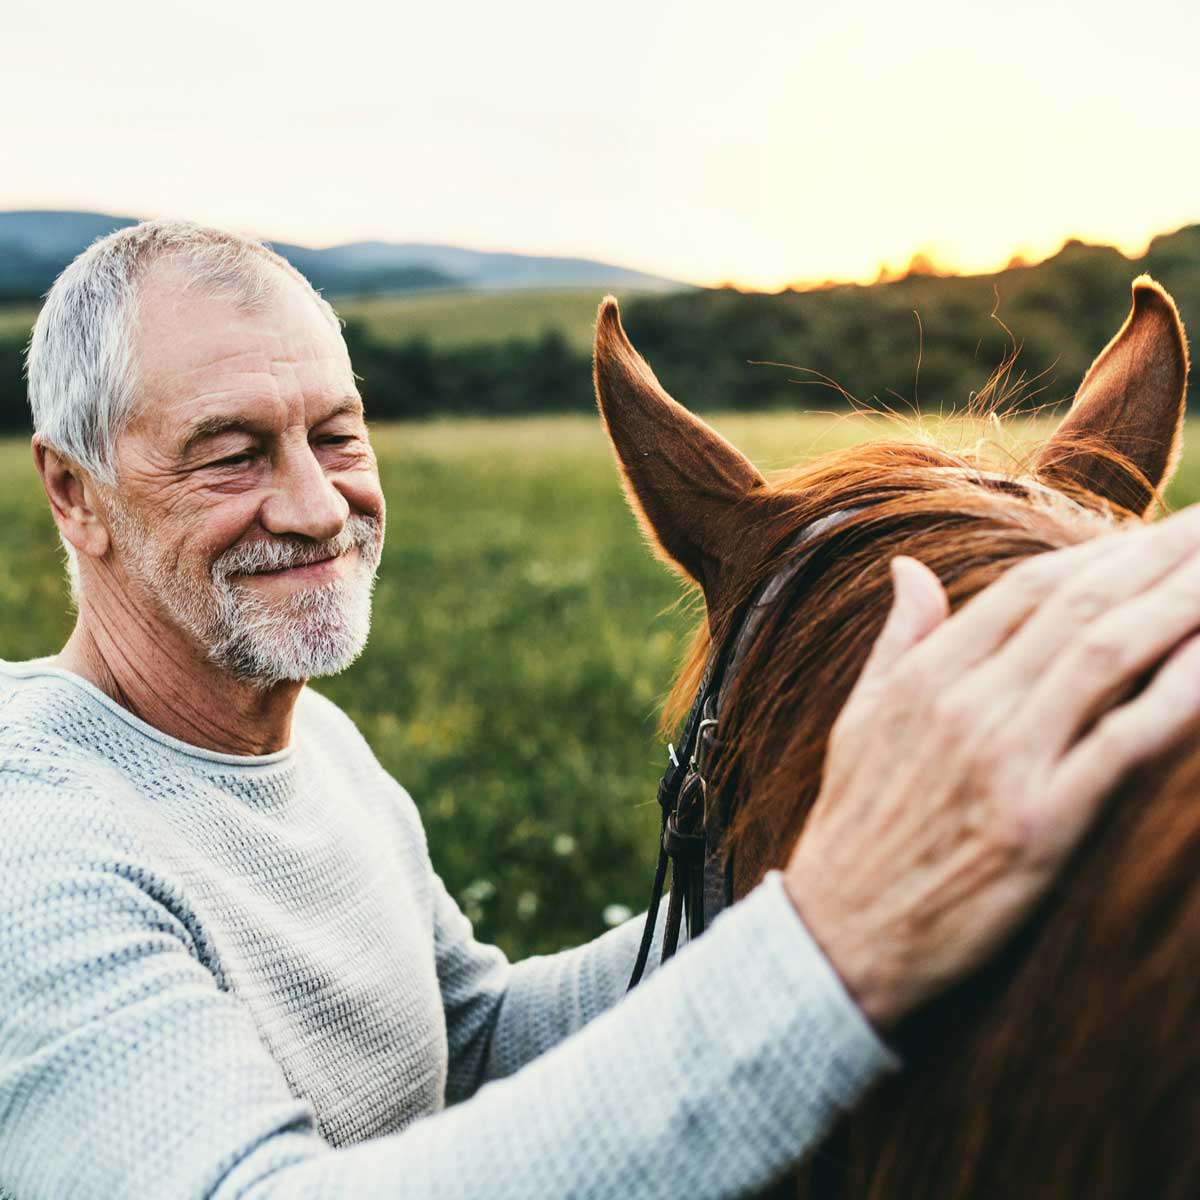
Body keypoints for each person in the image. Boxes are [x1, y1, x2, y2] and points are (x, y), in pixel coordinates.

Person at [2, 219, 1198, 1199]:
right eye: (232, 455)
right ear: (73, 491)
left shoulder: (320, 749)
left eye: (337, 434)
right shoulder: (35, 838)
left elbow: (464, 1047)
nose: (317, 505)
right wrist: (830, 942)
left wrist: (804, 864)